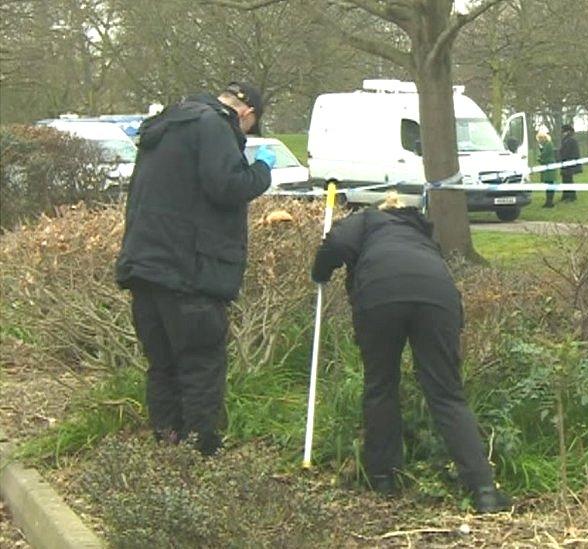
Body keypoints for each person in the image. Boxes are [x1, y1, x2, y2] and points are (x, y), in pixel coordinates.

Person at [310, 192, 513, 514]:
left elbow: (333, 245)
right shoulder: (423, 235)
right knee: (447, 394)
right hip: (437, 298)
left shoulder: (367, 220)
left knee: (381, 386)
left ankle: (383, 479)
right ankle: (483, 489)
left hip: (379, 296)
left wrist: (320, 273)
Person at [115, 81, 276, 455]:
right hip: (189, 272)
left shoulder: (168, 122)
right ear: (246, 113)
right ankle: (198, 457)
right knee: (201, 366)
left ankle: (167, 446)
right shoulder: (215, 125)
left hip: (144, 267)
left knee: (163, 365)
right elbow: (227, 186)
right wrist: (262, 171)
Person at [557, 123, 582, 202]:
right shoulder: (566, 140)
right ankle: (565, 195)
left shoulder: (570, 140)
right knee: (565, 179)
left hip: (569, 164)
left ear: (567, 131)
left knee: (568, 180)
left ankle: (571, 196)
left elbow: (568, 152)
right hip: (566, 163)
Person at [537, 127, 558, 208]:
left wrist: (540, 159)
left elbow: (545, 155)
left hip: (549, 168)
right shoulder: (546, 144)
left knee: (550, 185)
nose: (539, 140)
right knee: (548, 186)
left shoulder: (548, 144)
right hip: (547, 168)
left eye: (540, 138)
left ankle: (550, 202)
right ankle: (548, 202)